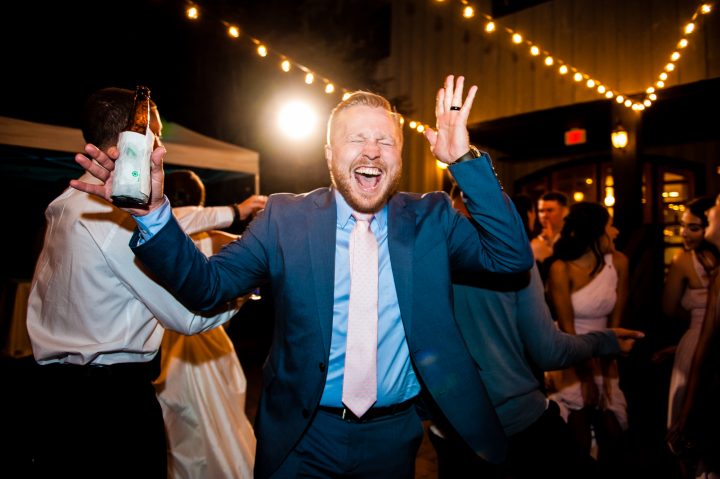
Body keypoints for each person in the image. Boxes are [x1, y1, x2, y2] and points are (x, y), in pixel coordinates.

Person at [70, 74, 535, 478]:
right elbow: (207, 289)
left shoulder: (432, 217)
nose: (372, 150)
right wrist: (152, 214)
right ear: (330, 153)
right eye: (356, 139)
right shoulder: (284, 218)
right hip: (302, 436)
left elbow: (512, 258)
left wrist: (464, 162)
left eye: (385, 140)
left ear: (400, 153)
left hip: (394, 438)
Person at [25, 87, 244, 478]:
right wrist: (251, 280)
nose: (162, 149)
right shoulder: (115, 218)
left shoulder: (64, 206)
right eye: (156, 136)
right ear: (136, 138)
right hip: (108, 408)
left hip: (52, 400)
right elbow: (192, 315)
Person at [428, 185, 644, 479]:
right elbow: (548, 351)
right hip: (515, 422)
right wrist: (606, 340)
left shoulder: (425, 266)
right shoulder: (516, 262)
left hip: (449, 428)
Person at [155, 169, 265, 478]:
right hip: (208, 338)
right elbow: (258, 261)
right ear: (199, 199)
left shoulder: (153, 230)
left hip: (166, 341)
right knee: (222, 419)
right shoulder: (215, 238)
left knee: (179, 426)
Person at [544, 201, 630, 472]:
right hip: (570, 355)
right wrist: (587, 378)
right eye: (610, 226)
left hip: (606, 354)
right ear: (595, 232)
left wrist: (603, 374)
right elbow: (568, 330)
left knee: (613, 432)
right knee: (576, 435)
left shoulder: (619, 262)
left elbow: (615, 329)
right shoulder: (561, 268)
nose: (615, 232)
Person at [668, 193, 720, 479]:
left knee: (686, 432)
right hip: (694, 346)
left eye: (694, 226)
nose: (685, 233)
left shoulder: (682, 262)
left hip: (698, 349)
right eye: (683, 226)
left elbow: (667, 308)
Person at [531, 190, 569, 268]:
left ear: (565, 211)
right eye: (541, 211)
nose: (544, 215)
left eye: (549, 210)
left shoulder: (571, 238)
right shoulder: (534, 239)